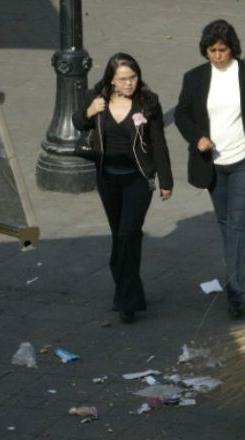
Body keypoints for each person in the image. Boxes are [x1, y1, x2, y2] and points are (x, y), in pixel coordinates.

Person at [174, 19, 245, 319]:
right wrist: (196, 137)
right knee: (226, 225)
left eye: (222, 50)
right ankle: (235, 275)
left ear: (232, 48)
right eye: (211, 50)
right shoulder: (195, 78)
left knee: (239, 226)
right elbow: (182, 113)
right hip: (213, 166)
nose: (216, 56)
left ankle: (236, 292)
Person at [72, 52, 173, 324]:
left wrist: (166, 180)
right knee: (120, 236)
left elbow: (158, 142)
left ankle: (128, 301)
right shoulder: (98, 97)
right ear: (112, 80)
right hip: (108, 178)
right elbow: (78, 122)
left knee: (129, 233)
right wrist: (90, 111)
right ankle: (125, 289)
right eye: (123, 79)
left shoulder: (148, 103)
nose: (129, 83)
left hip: (138, 179)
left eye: (133, 77)